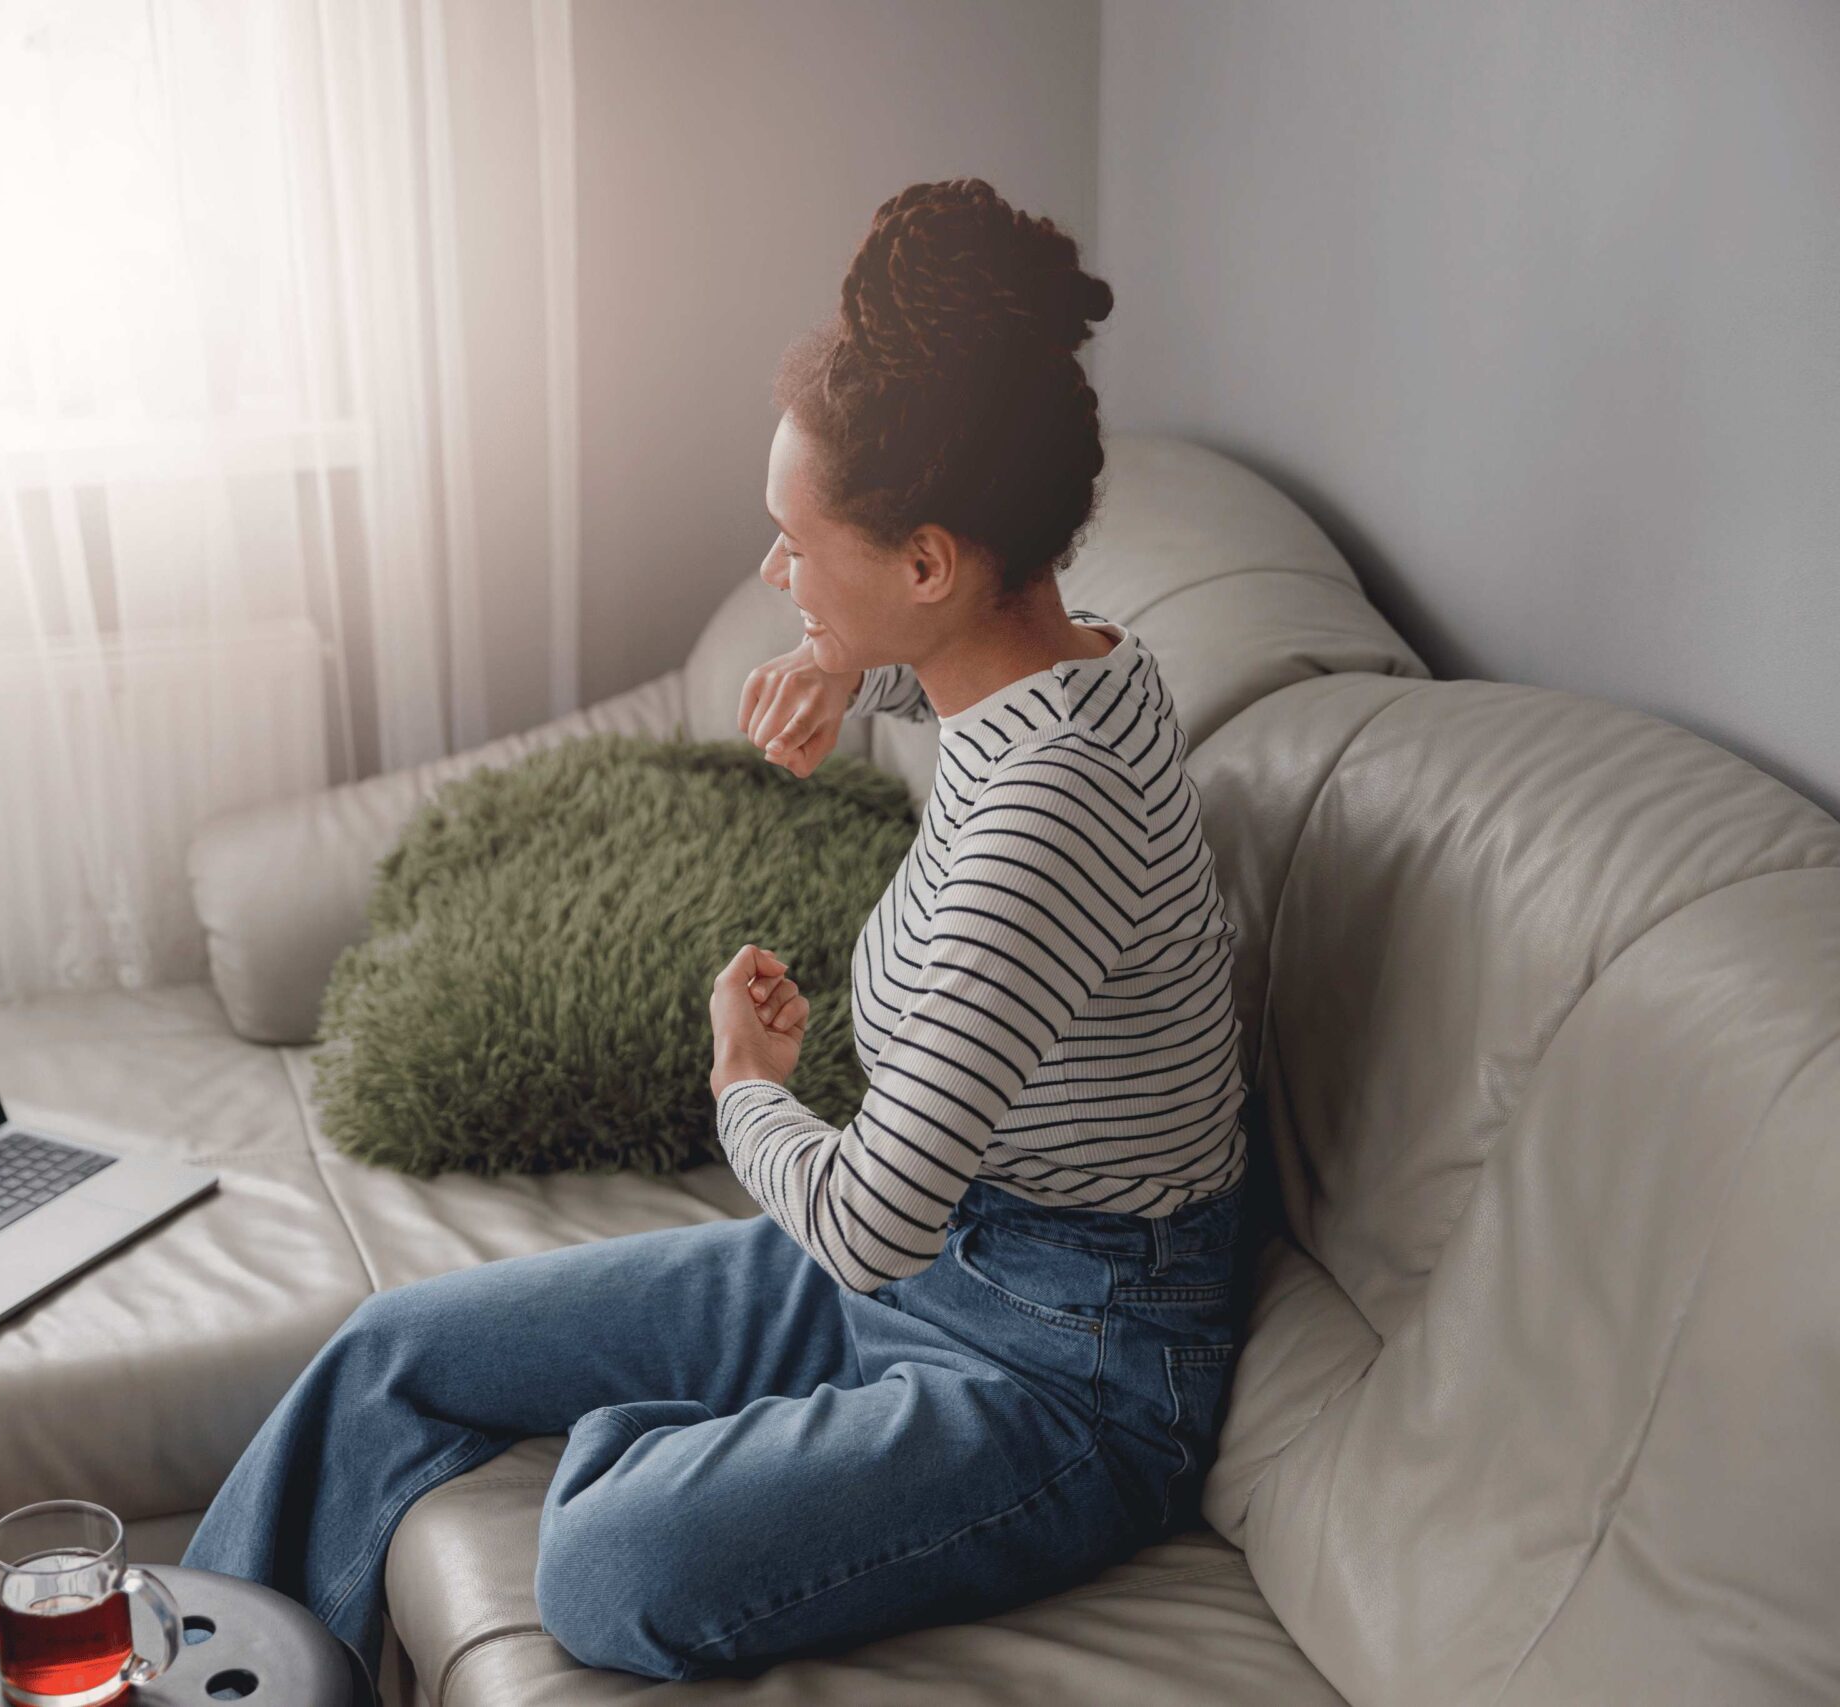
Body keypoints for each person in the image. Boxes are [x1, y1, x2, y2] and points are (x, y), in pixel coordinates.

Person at [180, 178, 1253, 1698]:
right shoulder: (1084, 667)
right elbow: (987, 698)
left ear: (932, 563)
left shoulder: (1040, 830)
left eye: (796, 545)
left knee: (608, 1565)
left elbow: (869, 1227)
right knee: (393, 1347)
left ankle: (683, 1447)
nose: (776, 578)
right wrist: (855, 667)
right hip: (945, 1256)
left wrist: (742, 1079)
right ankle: (200, 1674)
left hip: (1059, 1369)